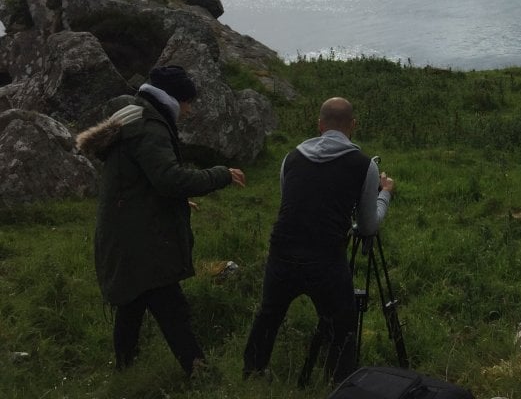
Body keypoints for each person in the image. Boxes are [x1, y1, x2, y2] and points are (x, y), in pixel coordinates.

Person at [76, 64, 246, 376]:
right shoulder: (151, 127)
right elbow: (168, 179)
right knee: (171, 307)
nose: (189, 111)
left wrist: (180, 201)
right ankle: (200, 373)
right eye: (188, 103)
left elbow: (138, 178)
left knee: (132, 304)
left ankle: (126, 372)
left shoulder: (137, 114)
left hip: (125, 230)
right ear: (174, 99)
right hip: (141, 240)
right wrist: (220, 174)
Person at [242, 96, 394, 383]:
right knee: (342, 323)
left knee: (269, 314)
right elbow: (368, 226)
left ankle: (252, 372)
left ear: (320, 124)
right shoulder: (363, 165)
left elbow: (291, 203)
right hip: (326, 258)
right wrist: (384, 192)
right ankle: (338, 381)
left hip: (282, 250)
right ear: (353, 126)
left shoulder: (291, 158)